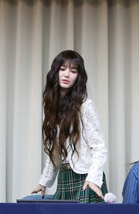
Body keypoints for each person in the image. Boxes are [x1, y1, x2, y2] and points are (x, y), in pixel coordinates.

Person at [32, 50, 108, 203]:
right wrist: (44, 182)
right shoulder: (52, 107)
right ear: (55, 72)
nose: (67, 74)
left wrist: (93, 179)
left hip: (86, 180)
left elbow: (99, 148)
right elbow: (55, 151)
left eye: (73, 71)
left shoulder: (85, 106)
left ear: (78, 76)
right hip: (64, 178)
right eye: (62, 69)